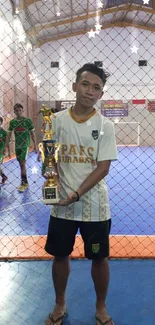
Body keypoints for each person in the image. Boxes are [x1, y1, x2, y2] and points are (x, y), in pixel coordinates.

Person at [44, 63, 117, 325]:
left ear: (101, 94)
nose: (89, 91)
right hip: (62, 205)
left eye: (96, 88)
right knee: (60, 255)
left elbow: (103, 167)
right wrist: (49, 174)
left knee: (99, 258)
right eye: (85, 84)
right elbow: (50, 159)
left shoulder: (105, 125)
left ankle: (100, 308)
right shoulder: (55, 121)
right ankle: (60, 304)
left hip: (94, 206)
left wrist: (76, 193)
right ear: (74, 86)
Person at [5, 103, 37, 192]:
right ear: (14, 111)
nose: (18, 112)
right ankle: (25, 181)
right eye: (16, 110)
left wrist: (35, 145)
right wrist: (6, 147)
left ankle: (23, 183)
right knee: (21, 164)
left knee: (23, 163)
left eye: (20, 110)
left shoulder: (28, 121)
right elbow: (8, 135)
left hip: (25, 145)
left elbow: (32, 134)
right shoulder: (13, 122)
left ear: (22, 111)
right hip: (17, 146)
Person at [0, 117, 10, 184]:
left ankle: (4, 176)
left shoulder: (4, 132)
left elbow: (7, 143)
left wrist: (8, 151)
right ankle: (3, 176)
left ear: (1, 123)